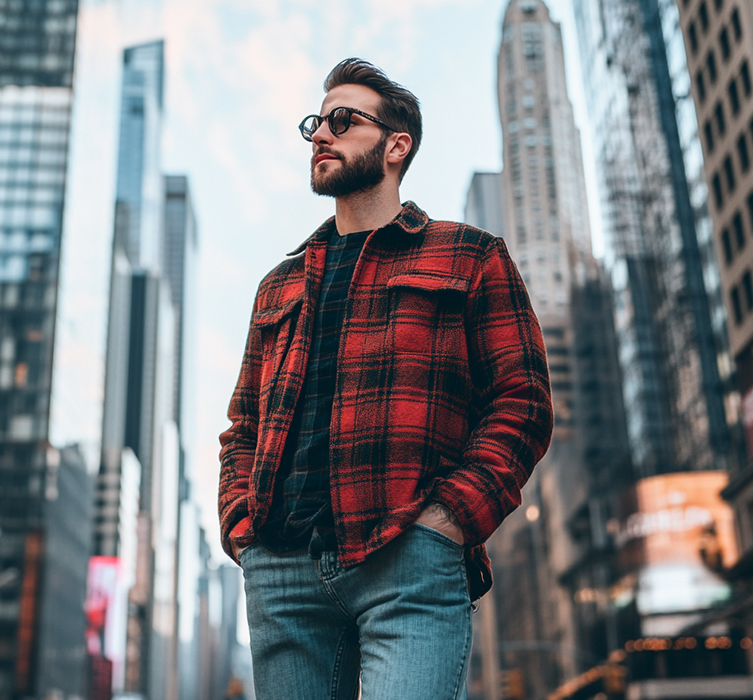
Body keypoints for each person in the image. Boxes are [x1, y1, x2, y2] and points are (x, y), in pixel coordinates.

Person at [217, 58, 553, 700]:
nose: (321, 134)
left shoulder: (470, 256)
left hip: (408, 555)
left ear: (396, 145)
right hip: (281, 569)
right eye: (318, 121)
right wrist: (242, 526)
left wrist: (450, 518)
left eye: (343, 120)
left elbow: (523, 401)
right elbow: (245, 427)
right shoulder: (279, 285)